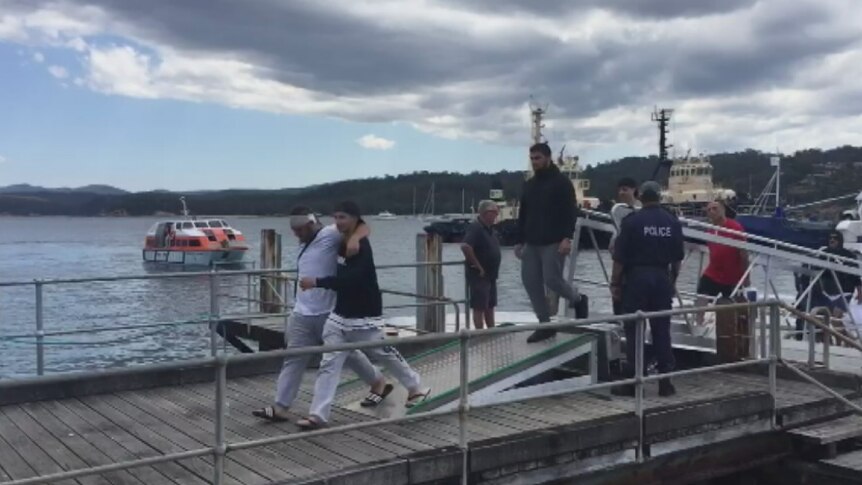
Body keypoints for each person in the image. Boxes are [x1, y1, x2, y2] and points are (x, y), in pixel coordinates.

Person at [296, 201, 430, 430]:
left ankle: (416, 387)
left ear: (354, 219)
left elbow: (352, 280)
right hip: (340, 314)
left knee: (382, 351)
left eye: (343, 217)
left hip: (364, 312)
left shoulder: (361, 247)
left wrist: (317, 282)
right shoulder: (342, 239)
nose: (338, 222)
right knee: (328, 362)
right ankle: (318, 415)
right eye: (336, 217)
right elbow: (363, 227)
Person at [253, 206, 387, 423]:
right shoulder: (304, 243)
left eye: (299, 230)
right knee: (293, 358)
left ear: (310, 224)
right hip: (302, 311)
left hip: (329, 310)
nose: (296, 234)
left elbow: (361, 226)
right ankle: (280, 406)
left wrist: (354, 240)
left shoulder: (331, 233)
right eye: (294, 230)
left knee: (348, 353)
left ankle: (377, 381)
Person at [611, 181, 684, 397]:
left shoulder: (632, 222)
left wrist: (615, 284)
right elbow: (678, 259)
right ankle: (665, 382)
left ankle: (635, 381)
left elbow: (619, 258)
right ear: (660, 197)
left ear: (641, 197)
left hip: (638, 278)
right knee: (662, 329)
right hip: (662, 277)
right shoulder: (672, 222)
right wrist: (672, 281)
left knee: (634, 329)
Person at [515, 142, 588, 343]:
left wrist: (567, 238)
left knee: (552, 280)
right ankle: (545, 324)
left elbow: (570, 211)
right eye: (532, 159)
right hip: (532, 241)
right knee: (530, 281)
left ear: (548, 158)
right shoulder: (529, 185)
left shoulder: (562, 183)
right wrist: (519, 240)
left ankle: (578, 299)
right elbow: (524, 214)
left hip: (554, 241)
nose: (534, 162)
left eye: (537, 158)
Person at [695, 200, 749, 324]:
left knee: (733, 304)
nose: (711, 212)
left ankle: (737, 326)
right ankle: (698, 322)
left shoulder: (735, 227)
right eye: (708, 210)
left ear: (723, 210)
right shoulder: (710, 230)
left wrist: (745, 276)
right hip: (714, 272)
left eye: (715, 208)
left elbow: (744, 254)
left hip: (732, 275)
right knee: (702, 292)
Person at [461, 200, 502, 329]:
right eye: (494, 212)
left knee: (490, 305)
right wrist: (478, 266)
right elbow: (466, 246)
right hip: (480, 275)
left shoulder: (490, 229)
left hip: (491, 275)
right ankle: (480, 334)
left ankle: (491, 331)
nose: (496, 215)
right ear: (486, 213)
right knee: (479, 306)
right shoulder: (476, 227)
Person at [608, 177, 640, 316]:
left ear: (634, 190)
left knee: (629, 298)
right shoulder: (618, 210)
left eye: (625, 189)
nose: (621, 193)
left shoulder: (639, 211)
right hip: (619, 259)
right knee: (618, 297)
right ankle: (619, 321)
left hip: (632, 263)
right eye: (620, 190)